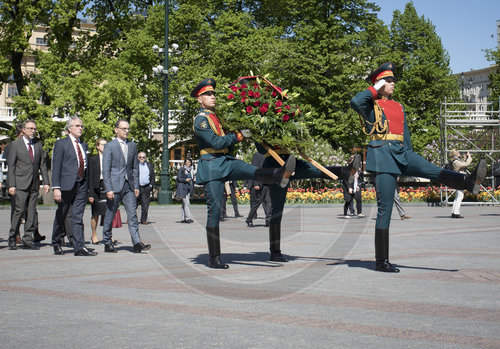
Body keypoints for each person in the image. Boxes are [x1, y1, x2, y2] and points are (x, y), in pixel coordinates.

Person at [350, 62, 486, 273]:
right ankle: (381, 261)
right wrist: (375, 88)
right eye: (389, 81)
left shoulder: (398, 106)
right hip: (383, 156)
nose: (393, 84)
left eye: (393, 80)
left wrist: (410, 154)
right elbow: (355, 100)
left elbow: (405, 134)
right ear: (379, 83)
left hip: (403, 152)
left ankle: (468, 182)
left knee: (432, 170)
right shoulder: (370, 104)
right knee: (385, 209)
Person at [191, 77, 296, 269]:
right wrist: (239, 136)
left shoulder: (217, 116)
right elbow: (216, 143)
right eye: (207, 94)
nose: (212, 96)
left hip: (226, 161)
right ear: (199, 99)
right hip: (212, 165)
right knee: (213, 212)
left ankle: (278, 175)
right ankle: (214, 258)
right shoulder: (201, 120)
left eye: (213, 93)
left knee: (252, 170)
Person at [101, 119, 151, 253]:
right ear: (116, 129)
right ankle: (107, 241)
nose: (126, 131)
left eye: (128, 129)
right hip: (114, 185)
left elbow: (135, 167)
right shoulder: (110, 146)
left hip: (128, 186)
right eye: (123, 128)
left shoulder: (132, 146)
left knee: (133, 215)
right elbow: (105, 169)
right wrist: (108, 188)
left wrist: (135, 186)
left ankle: (136, 242)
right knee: (110, 214)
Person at [51, 117, 96, 256]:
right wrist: (56, 188)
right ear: (69, 128)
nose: (80, 128)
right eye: (77, 125)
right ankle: (57, 242)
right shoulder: (61, 144)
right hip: (65, 185)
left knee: (78, 216)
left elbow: (86, 167)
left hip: (81, 184)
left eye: (81, 125)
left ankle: (79, 247)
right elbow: (56, 166)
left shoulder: (84, 145)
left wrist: (89, 188)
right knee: (62, 214)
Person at [7, 120, 50, 250]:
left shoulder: (38, 145)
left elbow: (42, 164)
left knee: (31, 212)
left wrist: (46, 182)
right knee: (19, 210)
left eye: (34, 129)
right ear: (23, 130)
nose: (33, 131)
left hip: (34, 183)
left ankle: (27, 239)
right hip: (20, 183)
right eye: (30, 128)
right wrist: (11, 185)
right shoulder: (15, 145)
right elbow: (11, 166)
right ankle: (13, 236)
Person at [88, 138, 107, 244]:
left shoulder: (110, 159)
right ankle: (94, 234)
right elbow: (89, 177)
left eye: (106, 145)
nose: (104, 147)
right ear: (97, 146)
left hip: (107, 187)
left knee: (108, 213)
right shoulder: (93, 159)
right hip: (96, 188)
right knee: (96, 213)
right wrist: (90, 193)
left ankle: (108, 234)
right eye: (102, 145)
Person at [245, 152, 272, 227]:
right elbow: (255, 169)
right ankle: (249, 219)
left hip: (268, 182)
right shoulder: (256, 155)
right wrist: (256, 183)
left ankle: (268, 220)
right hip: (259, 182)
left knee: (269, 202)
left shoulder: (270, 155)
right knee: (257, 202)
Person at [448, 149, 472, 218]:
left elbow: (462, 165)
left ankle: (454, 212)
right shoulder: (456, 161)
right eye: (458, 153)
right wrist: (469, 157)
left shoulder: (455, 160)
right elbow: (466, 164)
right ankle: (456, 213)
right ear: (455, 154)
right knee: (460, 196)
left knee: (457, 196)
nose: (459, 153)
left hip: (457, 179)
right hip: (459, 179)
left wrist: (465, 158)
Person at [137, 151, 155, 225]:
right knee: (133, 205)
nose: (142, 158)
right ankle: (131, 218)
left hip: (146, 187)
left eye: (143, 157)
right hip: (137, 188)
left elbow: (153, 176)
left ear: (145, 158)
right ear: (138, 158)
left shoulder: (149, 165)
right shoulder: (135, 165)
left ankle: (144, 219)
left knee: (145, 205)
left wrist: (150, 185)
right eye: (140, 157)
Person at [176, 158, 194, 223]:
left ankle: (183, 218)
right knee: (187, 203)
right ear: (185, 163)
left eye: (189, 162)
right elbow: (178, 178)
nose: (188, 163)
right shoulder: (182, 169)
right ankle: (188, 218)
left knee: (184, 204)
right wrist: (185, 180)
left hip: (189, 188)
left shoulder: (191, 170)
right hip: (183, 188)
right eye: (187, 162)